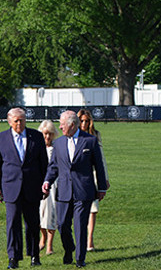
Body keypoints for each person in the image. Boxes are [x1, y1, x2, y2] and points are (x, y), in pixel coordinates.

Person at [42, 110, 108, 268]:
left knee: (80, 225)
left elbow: (98, 166)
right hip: (64, 191)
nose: (60, 127)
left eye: (62, 124)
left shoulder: (90, 141)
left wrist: (102, 188)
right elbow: (53, 167)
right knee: (62, 225)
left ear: (72, 125)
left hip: (83, 191)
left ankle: (80, 259)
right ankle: (69, 249)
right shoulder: (58, 144)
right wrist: (47, 181)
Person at [0, 108, 49, 268]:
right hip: (10, 188)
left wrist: (46, 184)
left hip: (32, 187)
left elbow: (43, 163)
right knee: (12, 224)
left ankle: (34, 256)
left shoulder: (36, 137)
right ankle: (13, 257)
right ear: (9, 121)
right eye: (16, 120)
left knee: (32, 224)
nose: (19, 123)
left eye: (22, 120)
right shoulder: (0, 139)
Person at [77, 109, 110, 252]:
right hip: (80, 177)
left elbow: (101, 159)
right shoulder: (74, 135)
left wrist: (105, 179)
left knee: (93, 210)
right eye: (82, 121)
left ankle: (90, 240)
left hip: (94, 176)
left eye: (87, 121)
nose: (84, 124)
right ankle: (81, 239)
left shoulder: (95, 135)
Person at [38, 120, 58, 256]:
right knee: (39, 214)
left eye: (50, 134)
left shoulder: (56, 148)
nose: (47, 137)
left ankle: (49, 244)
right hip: (38, 184)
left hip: (54, 185)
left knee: (51, 213)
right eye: (45, 134)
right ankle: (43, 237)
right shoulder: (37, 148)